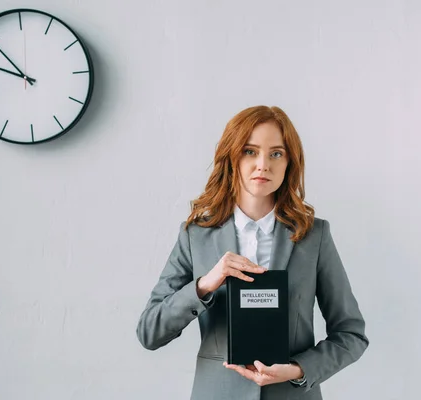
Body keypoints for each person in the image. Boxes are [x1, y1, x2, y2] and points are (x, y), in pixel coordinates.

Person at [136, 106, 369, 400]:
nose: (263, 165)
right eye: (250, 151)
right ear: (232, 157)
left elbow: (351, 335)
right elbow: (149, 332)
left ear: (289, 163)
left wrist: (298, 369)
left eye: (276, 153)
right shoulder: (196, 235)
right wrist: (205, 284)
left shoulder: (314, 236)